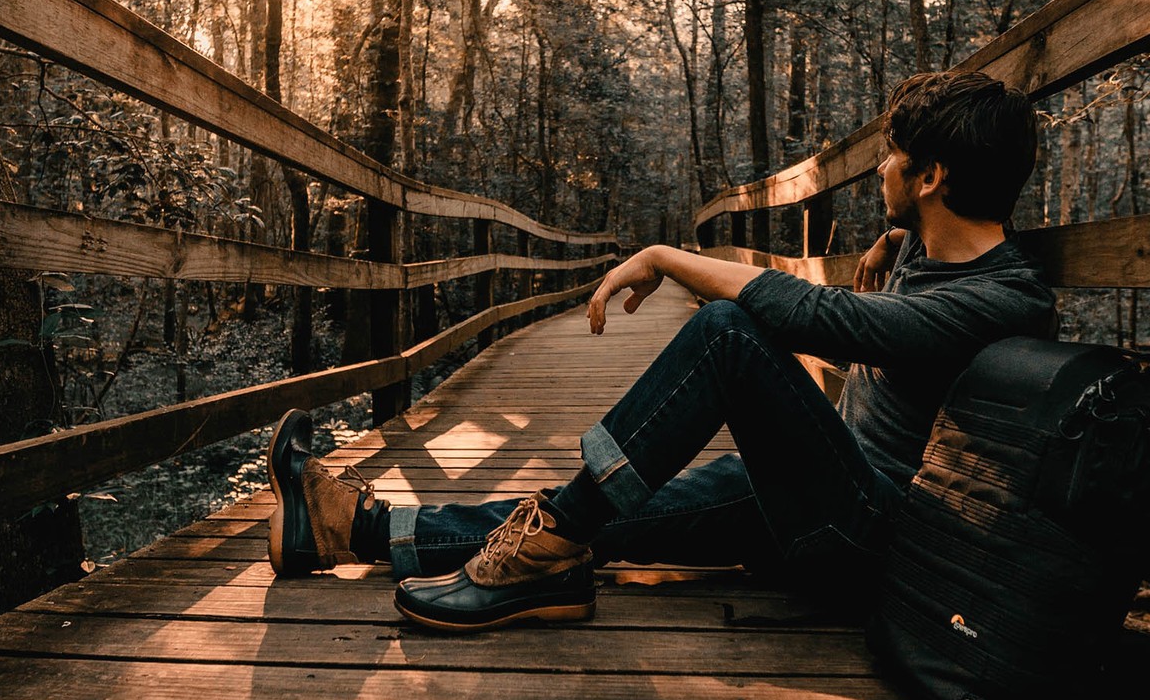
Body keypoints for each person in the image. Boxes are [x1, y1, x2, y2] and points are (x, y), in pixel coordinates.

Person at [266, 69, 1056, 630]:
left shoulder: (1002, 302)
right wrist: (893, 237)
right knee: (605, 512)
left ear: (932, 177)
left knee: (726, 334)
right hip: (814, 492)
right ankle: (352, 530)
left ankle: (540, 551)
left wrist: (669, 257)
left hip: (876, 545)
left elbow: (820, 316)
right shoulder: (934, 244)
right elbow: (916, 267)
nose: (881, 166)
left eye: (895, 157)